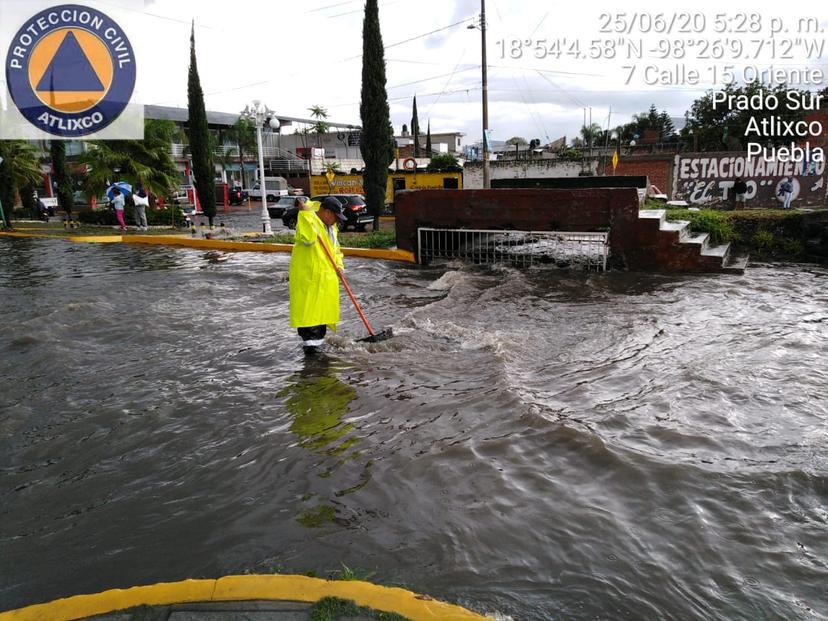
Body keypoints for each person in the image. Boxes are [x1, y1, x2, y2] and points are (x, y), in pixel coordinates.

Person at [289, 196, 348, 354]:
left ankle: (319, 362)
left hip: (325, 283)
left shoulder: (331, 228)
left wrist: (340, 266)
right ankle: (313, 370)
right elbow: (307, 238)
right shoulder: (309, 222)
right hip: (310, 283)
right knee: (310, 326)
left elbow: (335, 250)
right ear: (327, 212)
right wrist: (305, 214)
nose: (337, 221)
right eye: (336, 217)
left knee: (320, 324)